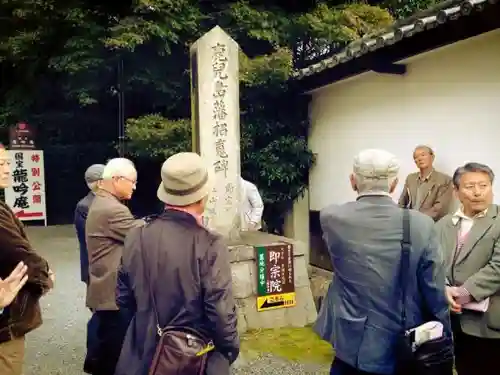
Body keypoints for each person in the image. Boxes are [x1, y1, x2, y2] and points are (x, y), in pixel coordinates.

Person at [316, 149, 452, 375]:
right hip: (400, 339)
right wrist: (443, 335)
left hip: (348, 337)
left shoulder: (330, 217)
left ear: (353, 181)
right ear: (394, 184)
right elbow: (434, 288)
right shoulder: (420, 224)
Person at [115, 152, 239, 375]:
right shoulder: (210, 243)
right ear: (203, 196)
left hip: (141, 355)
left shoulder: (136, 235)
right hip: (192, 360)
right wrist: (229, 350)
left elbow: (123, 299)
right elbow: (220, 312)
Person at [435, 162, 500, 375]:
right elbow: (434, 262)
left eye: (484, 185)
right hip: (454, 319)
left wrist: (460, 294)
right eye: (470, 186)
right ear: (456, 191)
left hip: (490, 322)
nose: (477, 192)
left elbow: (497, 268)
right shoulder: (444, 224)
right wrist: (443, 289)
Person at [85, 158, 145, 375]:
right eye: (132, 181)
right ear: (117, 179)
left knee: (107, 350)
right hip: (113, 295)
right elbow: (140, 236)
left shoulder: (102, 202)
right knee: (116, 356)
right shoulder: (112, 209)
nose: (135, 186)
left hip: (105, 290)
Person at [0, 143, 54, 375]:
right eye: (1, 164)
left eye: (8, 163)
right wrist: (44, 277)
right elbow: (21, 257)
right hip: (4, 325)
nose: (7, 169)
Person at [74, 163, 105, 374]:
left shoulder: (98, 203)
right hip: (96, 270)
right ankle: (94, 359)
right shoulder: (86, 206)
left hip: (98, 269)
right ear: (98, 183)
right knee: (100, 314)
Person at [398, 145, 453, 221]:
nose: (420, 159)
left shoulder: (445, 180)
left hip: (431, 224)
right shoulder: (410, 178)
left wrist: (418, 220)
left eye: (423, 155)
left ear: (432, 157)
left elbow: (439, 209)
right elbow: (402, 203)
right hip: (409, 224)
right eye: (416, 157)